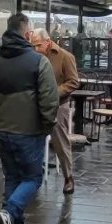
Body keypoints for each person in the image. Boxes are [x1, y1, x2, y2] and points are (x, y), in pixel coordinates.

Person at [0, 13, 59, 224]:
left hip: (2, 131)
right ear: (27, 34)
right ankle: (9, 213)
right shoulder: (38, 62)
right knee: (33, 178)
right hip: (29, 131)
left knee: (12, 176)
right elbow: (49, 100)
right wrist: (45, 126)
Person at [32, 29, 80, 195]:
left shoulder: (65, 56)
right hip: (37, 105)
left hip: (58, 105)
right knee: (33, 138)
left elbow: (73, 82)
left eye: (38, 45)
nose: (36, 48)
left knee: (60, 141)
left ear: (48, 41)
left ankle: (68, 177)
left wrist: (54, 92)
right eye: (33, 45)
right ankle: (33, 175)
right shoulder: (34, 56)